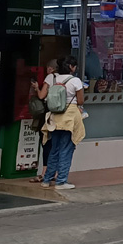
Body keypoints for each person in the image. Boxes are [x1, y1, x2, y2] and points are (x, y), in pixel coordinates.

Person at [35, 56, 85, 189]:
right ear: (71, 67)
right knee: (66, 149)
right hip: (69, 118)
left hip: (54, 118)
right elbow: (80, 101)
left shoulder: (54, 79)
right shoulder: (75, 81)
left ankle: (47, 180)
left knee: (54, 149)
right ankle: (61, 181)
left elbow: (43, 95)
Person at [29, 60, 58, 183]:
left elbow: (41, 96)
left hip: (49, 113)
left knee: (46, 141)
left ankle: (45, 172)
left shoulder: (51, 77)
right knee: (58, 143)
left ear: (51, 69)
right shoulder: (70, 79)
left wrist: (36, 87)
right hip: (62, 114)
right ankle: (57, 173)